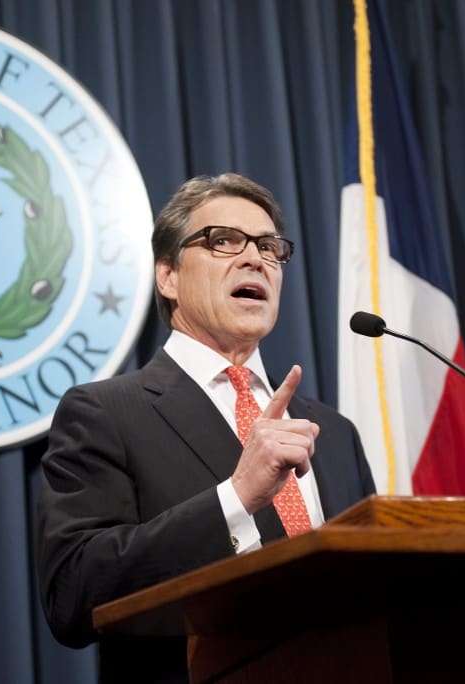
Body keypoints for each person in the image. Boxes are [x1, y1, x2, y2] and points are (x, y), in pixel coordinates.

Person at [37, 173, 375, 682]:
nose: (254, 259)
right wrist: (236, 498)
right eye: (223, 242)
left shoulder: (334, 431)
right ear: (167, 276)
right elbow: (73, 593)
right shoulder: (106, 413)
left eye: (268, 247)